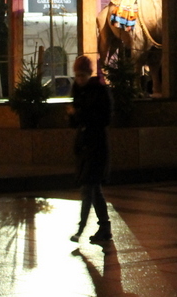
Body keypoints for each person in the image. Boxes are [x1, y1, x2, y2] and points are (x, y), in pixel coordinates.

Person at [69, 55, 114, 244]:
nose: (79, 79)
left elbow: (103, 118)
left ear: (89, 74)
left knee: (89, 188)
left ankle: (81, 229)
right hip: (84, 146)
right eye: (77, 76)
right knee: (94, 189)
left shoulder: (99, 91)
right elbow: (74, 122)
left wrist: (79, 114)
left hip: (96, 146)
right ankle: (104, 227)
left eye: (82, 75)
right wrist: (75, 116)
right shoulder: (78, 92)